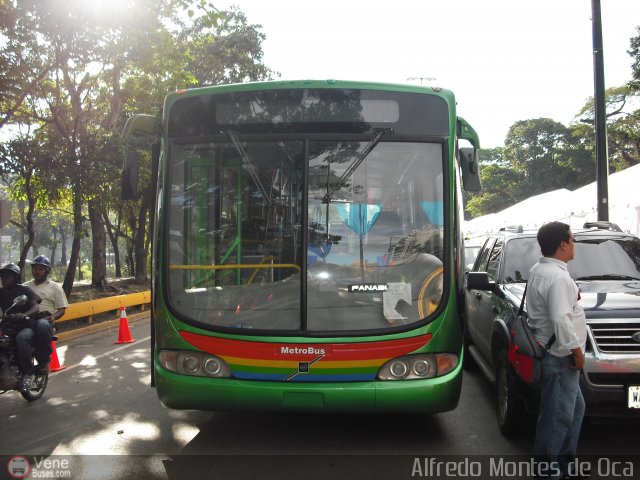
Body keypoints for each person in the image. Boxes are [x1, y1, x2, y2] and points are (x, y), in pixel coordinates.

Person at [526, 222, 587, 479]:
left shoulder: (540, 269)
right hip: (561, 357)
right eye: (572, 240)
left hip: (551, 352)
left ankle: (564, 463)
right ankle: (549, 470)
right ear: (563, 244)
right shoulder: (558, 277)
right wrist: (577, 352)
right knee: (557, 417)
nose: (574, 244)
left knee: (574, 409)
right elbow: (561, 319)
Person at [24, 255, 68, 374]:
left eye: (40, 269)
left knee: (42, 326)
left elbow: (62, 309)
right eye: (35, 269)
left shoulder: (55, 287)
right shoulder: (25, 286)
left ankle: (44, 363)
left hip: (44, 317)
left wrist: (54, 317)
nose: (37, 272)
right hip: (26, 317)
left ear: (47, 270)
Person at [0, 263, 41, 392]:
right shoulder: (1, 292)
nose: (4, 279)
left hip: (24, 326)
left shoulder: (24, 290)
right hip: (7, 325)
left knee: (22, 339)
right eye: (2, 276)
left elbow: (35, 307)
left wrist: (23, 314)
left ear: (16, 278)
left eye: (8, 276)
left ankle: (28, 373)